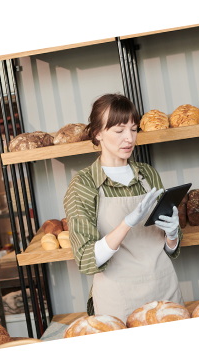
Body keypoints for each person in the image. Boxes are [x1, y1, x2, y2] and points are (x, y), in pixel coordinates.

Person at [63, 93, 184, 322]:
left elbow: (169, 250)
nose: (128, 138)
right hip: (118, 298)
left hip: (164, 290)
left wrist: (171, 235)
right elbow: (86, 259)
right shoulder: (83, 184)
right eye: (119, 131)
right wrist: (126, 224)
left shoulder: (148, 174)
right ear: (98, 133)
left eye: (134, 129)